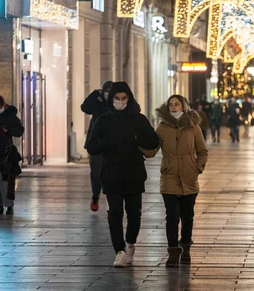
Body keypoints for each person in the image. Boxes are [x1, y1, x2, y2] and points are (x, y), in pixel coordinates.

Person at [86, 82, 159, 268]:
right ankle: (119, 251)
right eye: (117, 99)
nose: (120, 102)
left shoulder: (138, 119)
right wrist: (106, 142)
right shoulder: (103, 120)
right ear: (111, 100)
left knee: (134, 214)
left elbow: (153, 141)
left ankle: (131, 242)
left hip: (134, 173)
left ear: (129, 99)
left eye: (123, 98)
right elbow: (92, 146)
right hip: (111, 174)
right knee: (115, 214)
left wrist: (136, 139)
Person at [156, 95, 208, 266]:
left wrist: (197, 167)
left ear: (184, 106)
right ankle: (172, 252)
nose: (174, 107)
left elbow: (202, 151)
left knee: (187, 216)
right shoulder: (163, 127)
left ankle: (185, 247)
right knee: (171, 216)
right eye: (171, 104)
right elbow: (152, 148)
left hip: (188, 176)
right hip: (169, 174)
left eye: (177, 104)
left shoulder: (193, 127)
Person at [81, 80, 113, 212]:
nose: (108, 94)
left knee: (112, 172)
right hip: (96, 143)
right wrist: (95, 94)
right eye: (105, 92)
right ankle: (95, 195)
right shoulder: (97, 101)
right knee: (96, 173)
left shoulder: (116, 103)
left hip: (112, 143)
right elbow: (85, 108)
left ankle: (111, 200)